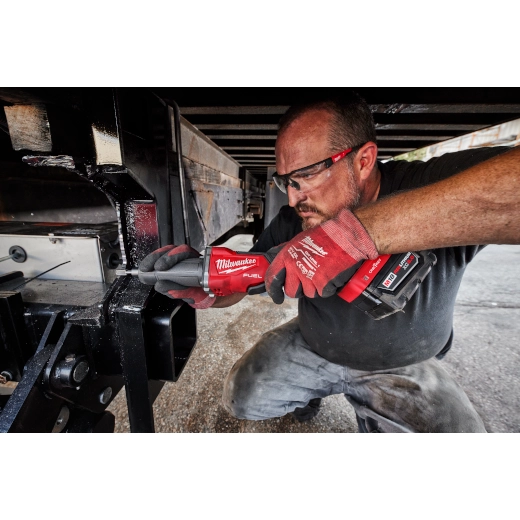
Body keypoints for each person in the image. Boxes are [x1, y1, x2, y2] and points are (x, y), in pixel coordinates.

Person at [140, 92, 520, 432]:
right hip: (315, 345)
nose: (293, 198)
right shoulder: (295, 219)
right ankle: (310, 393)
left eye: (306, 176)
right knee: (242, 397)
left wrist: (357, 234)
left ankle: (371, 415)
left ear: (364, 161)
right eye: (287, 181)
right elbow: (250, 277)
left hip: (405, 362)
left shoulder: (433, 182)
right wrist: (209, 285)